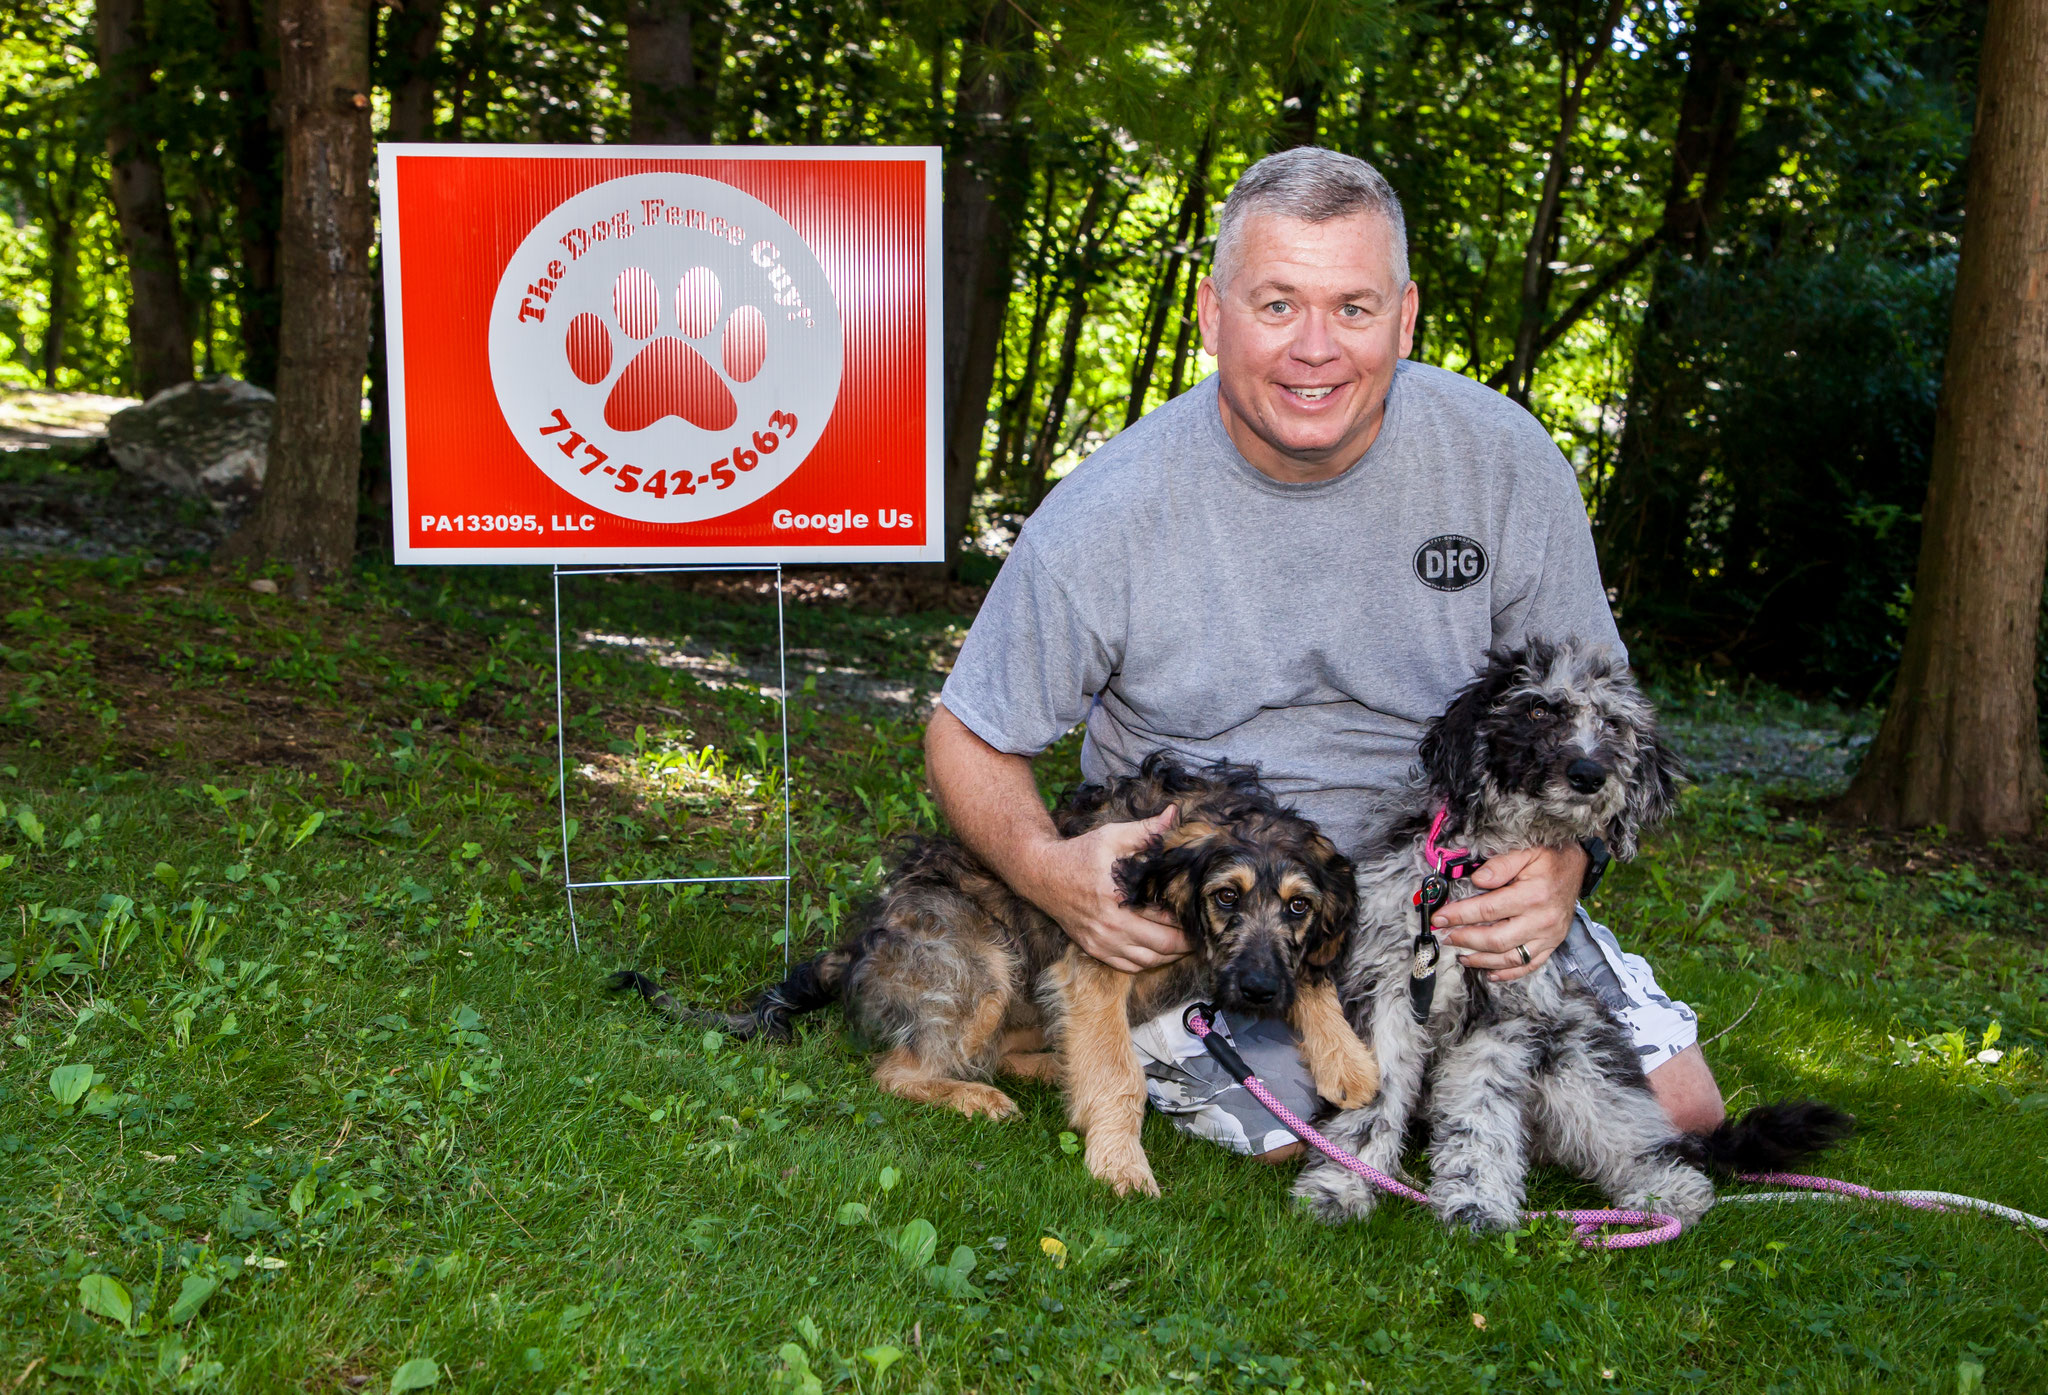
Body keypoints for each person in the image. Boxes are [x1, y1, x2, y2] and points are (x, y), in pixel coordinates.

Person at [925, 146, 1724, 1164]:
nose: (1314, 348)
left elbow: (1594, 714)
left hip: (1447, 886)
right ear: (1212, 315)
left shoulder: (1505, 461)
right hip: (1224, 914)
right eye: (1276, 305)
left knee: (1678, 1121)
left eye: (1352, 307)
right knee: (1326, 1130)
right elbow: (966, 733)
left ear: (1404, 315)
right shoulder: (1106, 511)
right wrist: (1050, 872)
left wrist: (1566, 860)